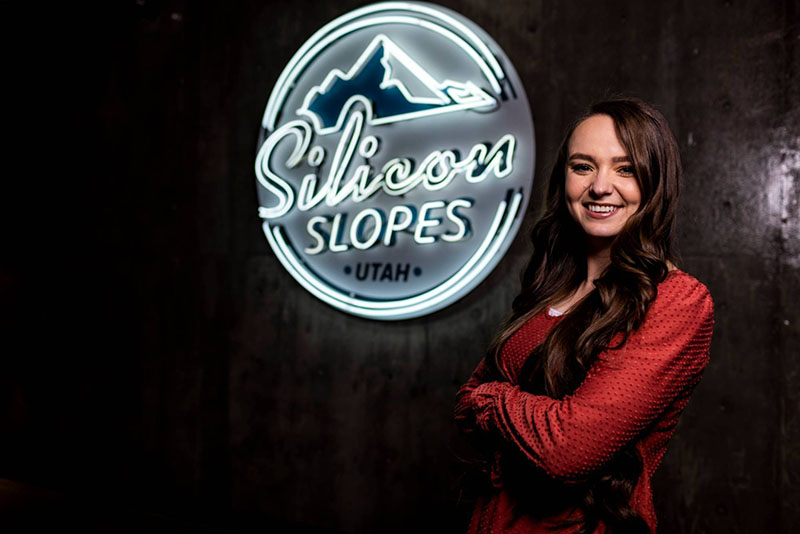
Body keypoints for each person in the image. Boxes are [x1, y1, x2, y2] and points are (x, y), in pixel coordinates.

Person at [454, 98, 714, 534]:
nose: (600, 187)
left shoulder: (677, 301)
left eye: (625, 169)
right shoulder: (550, 287)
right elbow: (464, 401)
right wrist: (527, 412)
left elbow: (570, 449)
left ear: (656, 183)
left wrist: (494, 400)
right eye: (583, 166)